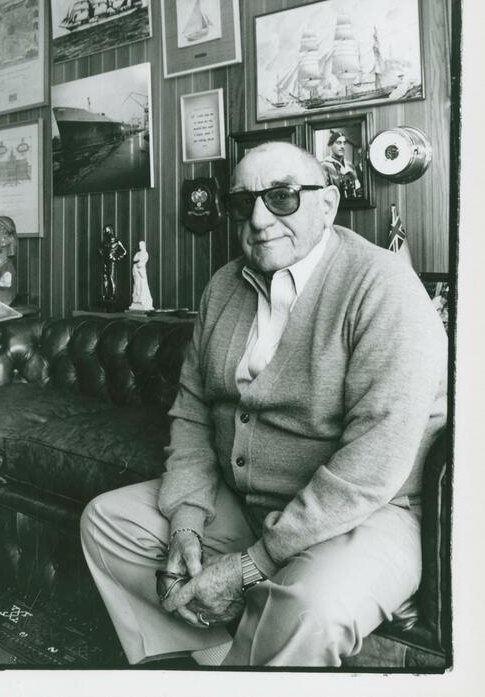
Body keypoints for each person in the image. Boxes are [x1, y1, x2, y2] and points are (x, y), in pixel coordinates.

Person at [81, 141, 447, 667]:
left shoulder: (384, 286)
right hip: (248, 501)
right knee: (107, 523)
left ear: (328, 205)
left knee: (313, 611)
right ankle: (218, 653)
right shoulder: (223, 287)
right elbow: (193, 413)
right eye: (242, 202)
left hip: (366, 513)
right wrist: (186, 521)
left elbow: (373, 464)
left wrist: (251, 566)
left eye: (282, 197)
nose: (258, 219)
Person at [321, 130, 362, 199]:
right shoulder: (324, 166)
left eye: (344, 143)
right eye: (339, 143)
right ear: (330, 145)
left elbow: (358, 188)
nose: (342, 146)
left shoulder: (350, 166)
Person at [98, 225, 127, 303]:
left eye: (106, 230)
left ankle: (113, 295)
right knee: (105, 277)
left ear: (110, 231)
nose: (104, 232)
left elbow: (124, 252)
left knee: (111, 278)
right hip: (105, 261)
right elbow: (100, 249)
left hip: (112, 262)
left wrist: (116, 258)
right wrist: (102, 254)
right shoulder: (104, 241)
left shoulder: (117, 241)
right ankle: (106, 294)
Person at [129, 240, 153, 311]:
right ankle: (137, 299)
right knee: (136, 285)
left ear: (144, 245)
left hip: (141, 271)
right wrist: (137, 261)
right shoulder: (137, 253)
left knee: (142, 285)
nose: (140, 246)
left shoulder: (145, 253)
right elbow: (134, 259)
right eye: (139, 245)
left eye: (141, 245)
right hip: (136, 271)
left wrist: (138, 262)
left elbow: (141, 262)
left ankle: (142, 300)